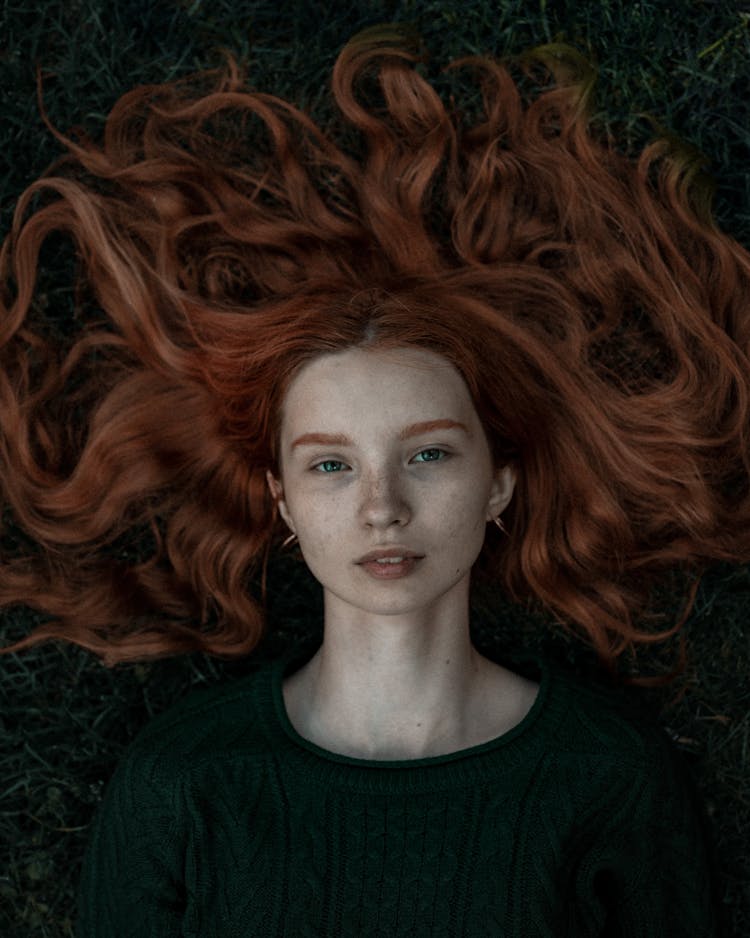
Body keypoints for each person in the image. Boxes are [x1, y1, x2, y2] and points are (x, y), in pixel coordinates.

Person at [1, 22, 748, 936]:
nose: (381, 507)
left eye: (428, 454)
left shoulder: (609, 779)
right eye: (329, 465)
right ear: (282, 501)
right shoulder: (184, 782)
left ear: (500, 485)